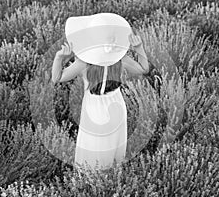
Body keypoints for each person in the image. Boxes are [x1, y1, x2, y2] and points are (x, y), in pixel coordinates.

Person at [51, 13, 149, 173]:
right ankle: (111, 183)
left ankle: (90, 184)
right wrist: (139, 49)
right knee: (114, 150)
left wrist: (59, 58)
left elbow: (57, 78)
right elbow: (144, 69)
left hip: (94, 108)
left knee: (93, 150)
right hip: (117, 106)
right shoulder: (120, 58)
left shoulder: (84, 62)